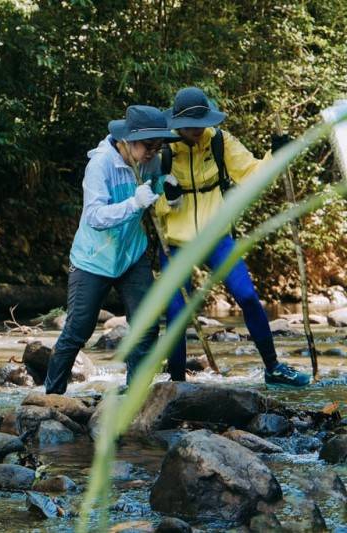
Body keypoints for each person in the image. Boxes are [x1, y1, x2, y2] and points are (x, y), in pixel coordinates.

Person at [156, 86, 309, 387]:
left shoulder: (220, 142)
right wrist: (167, 198)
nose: (197, 130)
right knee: (176, 313)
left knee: (248, 297)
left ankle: (273, 367)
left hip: (217, 237)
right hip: (175, 242)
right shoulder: (163, 150)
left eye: (201, 123)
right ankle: (176, 383)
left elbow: (252, 174)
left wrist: (274, 156)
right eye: (190, 125)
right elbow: (148, 202)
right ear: (176, 123)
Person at [43, 105, 178, 394]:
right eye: (149, 145)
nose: (155, 152)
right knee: (78, 330)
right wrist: (134, 204)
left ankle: (136, 393)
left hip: (132, 254)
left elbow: (154, 185)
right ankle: (51, 397)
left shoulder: (150, 160)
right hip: (93, 260)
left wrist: (165, 185)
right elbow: (95, 216)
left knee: (147, 323)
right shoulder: (100, 164)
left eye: (159, 145)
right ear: (127, 141)